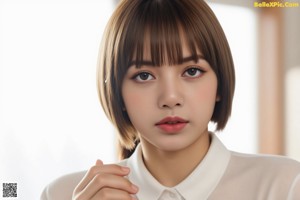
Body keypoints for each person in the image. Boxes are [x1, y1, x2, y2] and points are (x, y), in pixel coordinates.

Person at [41, 0, 300, 199]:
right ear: (117, 93)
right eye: (144, 75)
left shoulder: (286, 185)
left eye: (191, 71)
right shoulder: (63, 193)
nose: (170, 98)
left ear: (220, 82)